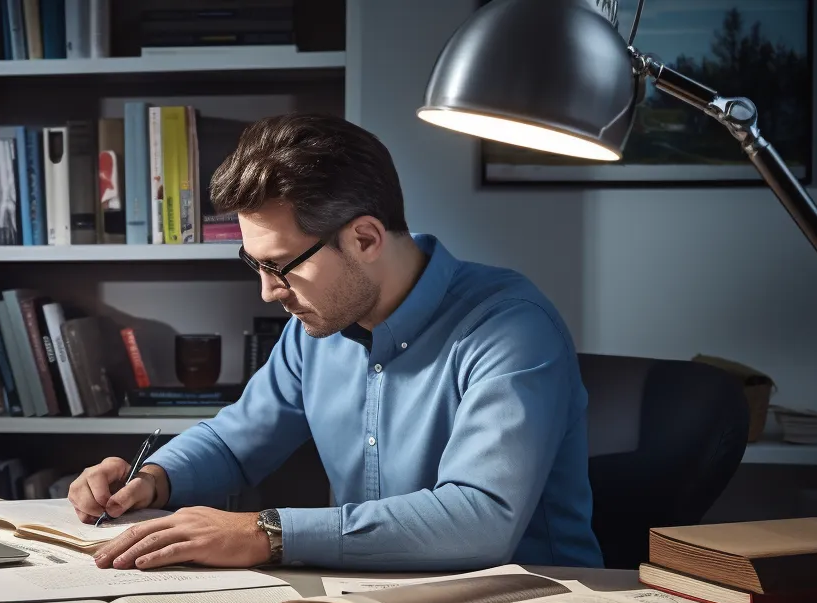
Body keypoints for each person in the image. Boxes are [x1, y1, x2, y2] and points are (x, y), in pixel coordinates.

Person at [71, 113, 602, 573]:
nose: (268, 290)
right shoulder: (316, 329)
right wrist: (155, 479)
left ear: (365, 238)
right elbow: (235, 442)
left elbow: (481, 520)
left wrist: (266, 533)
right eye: (255, 264)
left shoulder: (511, 328)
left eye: (281, 266)